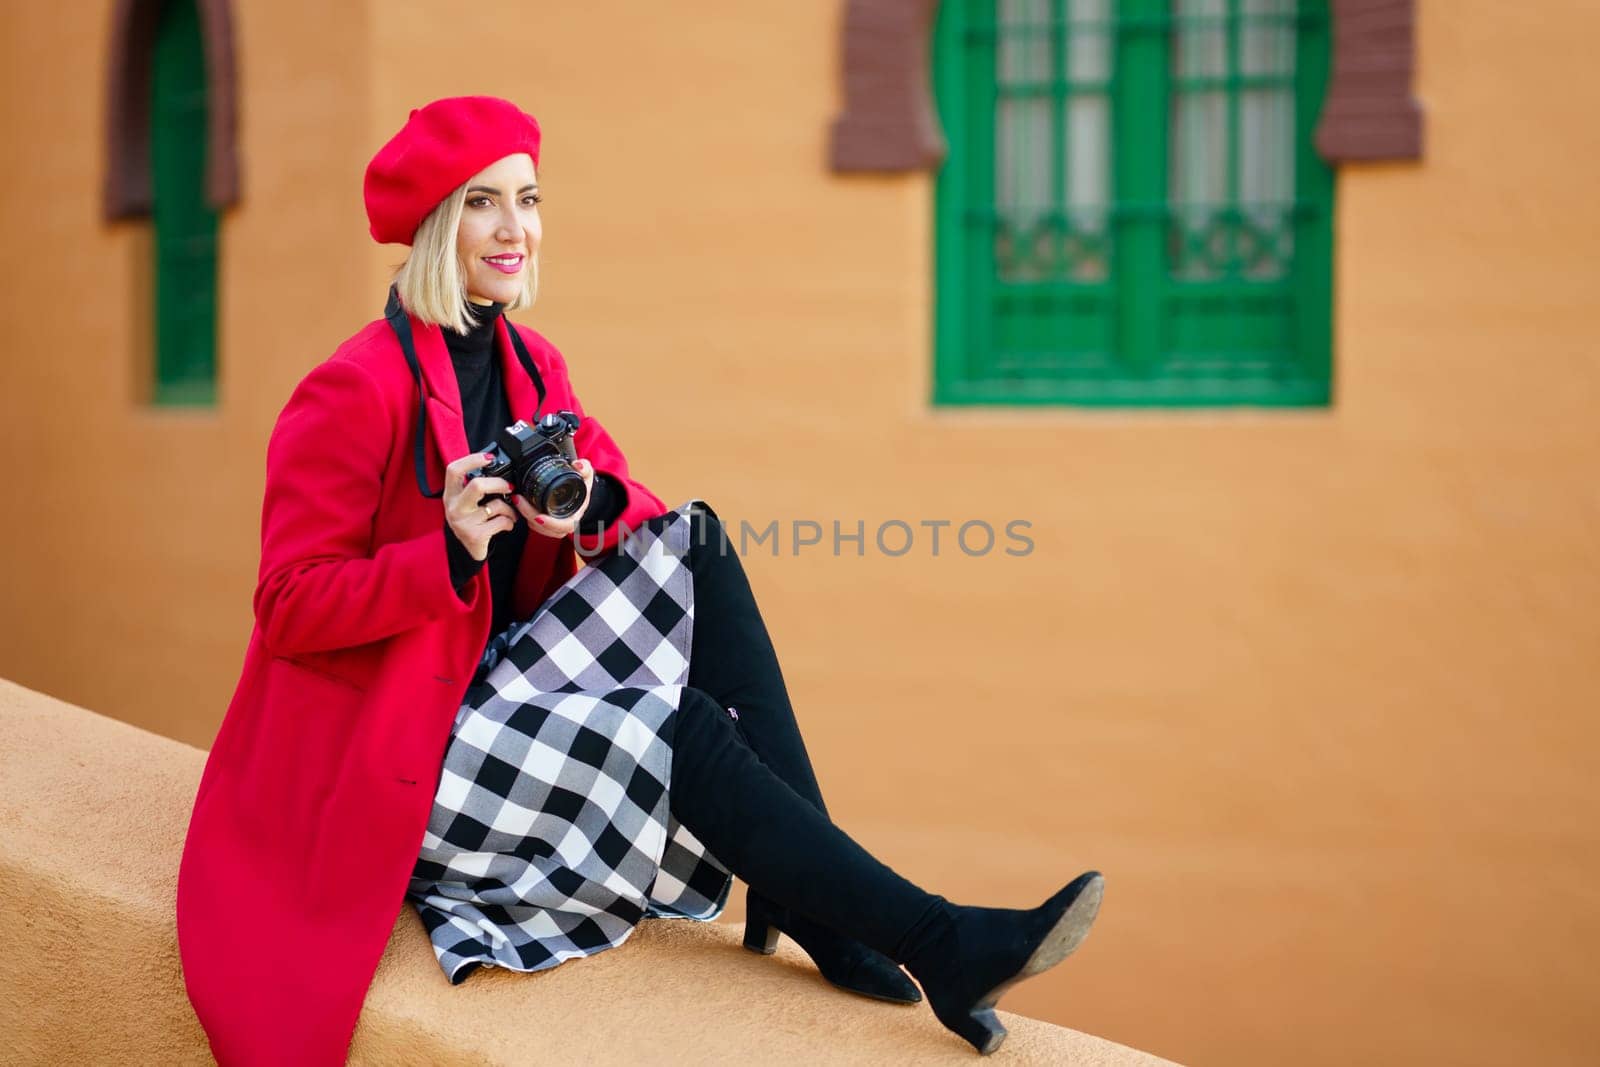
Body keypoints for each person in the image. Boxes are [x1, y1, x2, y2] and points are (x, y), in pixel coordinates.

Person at [175, 96, 1103, 1066]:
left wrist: (584, 507)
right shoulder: (355, 388)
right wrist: (445, 550)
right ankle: (936, 939)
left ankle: (809, 891)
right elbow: (287, 605)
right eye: (483, 202)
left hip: (489, 684)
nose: (513, 228)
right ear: (438, 225)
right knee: (679, 723)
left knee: (694, 536)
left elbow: (642, 517)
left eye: (527, 199)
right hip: (399, 752)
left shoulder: (535, 366)